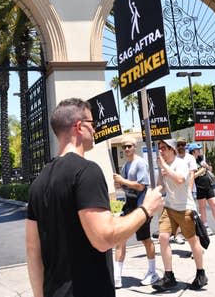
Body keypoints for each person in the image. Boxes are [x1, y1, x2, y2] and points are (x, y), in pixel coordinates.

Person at [26, 98, 163, 297]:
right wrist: (146, 209)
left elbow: (32, 250)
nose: (95, 130)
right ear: (79, 127)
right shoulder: (87, 171)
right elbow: (104, 237)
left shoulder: (39, 182)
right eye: (93, 124)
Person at [153, 138, 207, 291]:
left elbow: (180, 179)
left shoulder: (180, 163)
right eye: (160, 148)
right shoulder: (164, 166)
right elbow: (160, 187)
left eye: (164, 148)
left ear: (172, 150)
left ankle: (201, 273)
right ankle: (169, 276)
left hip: (185, 208)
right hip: (169, 207)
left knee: (192, 241)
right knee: (163, 237)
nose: (161, 151)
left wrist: (164, 167)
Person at [112, 136, 158, 288]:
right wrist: (119, 183)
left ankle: (153, 272)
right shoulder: (126, 166)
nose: (126, 149)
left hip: (141, 207)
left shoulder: (140, 163)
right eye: (124, 146)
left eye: (129, 146)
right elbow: (127, 187)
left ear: (135, 147)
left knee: (145, 239)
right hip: (129, 206)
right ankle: (117, 276)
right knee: (120, 239)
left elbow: (140, 186)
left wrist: (123, 181)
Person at [189, 143, 215, 234]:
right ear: (193, 151)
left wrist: (208, 167)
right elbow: (191, 176)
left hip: (208, 185)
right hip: (199, 187)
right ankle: (205, 226)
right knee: (202, 208)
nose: (199, 151)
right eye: (198, 149)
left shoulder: (200, 159)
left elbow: (209, 169)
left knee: (214, 204)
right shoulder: (190, 161)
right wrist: (201, 171)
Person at [171, 138, 197, 244]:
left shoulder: (190, 158)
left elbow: (192, 174)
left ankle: (194, 238)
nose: (181, 146)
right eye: (179, 145)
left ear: (186, 145)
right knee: (177, 214)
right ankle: (178, 235)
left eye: (183, 144)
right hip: (176, 192)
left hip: (189, 191)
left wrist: (189, 190)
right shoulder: (174, 159)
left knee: (190, 215)